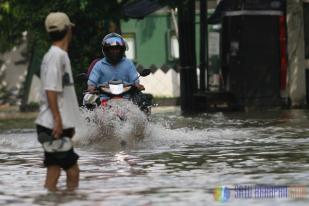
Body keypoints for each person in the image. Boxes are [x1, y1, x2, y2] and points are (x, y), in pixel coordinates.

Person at [35, 12, 80, 191]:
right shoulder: (57, 56)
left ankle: (51, 201)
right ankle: (69, 201)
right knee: (73, 171)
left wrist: (67, 122)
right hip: (53, 125)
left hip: (51, 125)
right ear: (69, 30)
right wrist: (59, 120)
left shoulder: (54, 55)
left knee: (53, 171)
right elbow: (51, 90)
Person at [87, 33, 144, 101]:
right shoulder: (99, 65)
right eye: (111, 49)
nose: (115, 52)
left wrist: (138, 85)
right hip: (103, 99)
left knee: (143, 100)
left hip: (127, 99)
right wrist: (91, 88)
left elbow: (135, 80)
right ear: (106, 50)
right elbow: (92, 82)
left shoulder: (128, 63)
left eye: (117, 49)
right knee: (87, 100)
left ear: (122, 49)